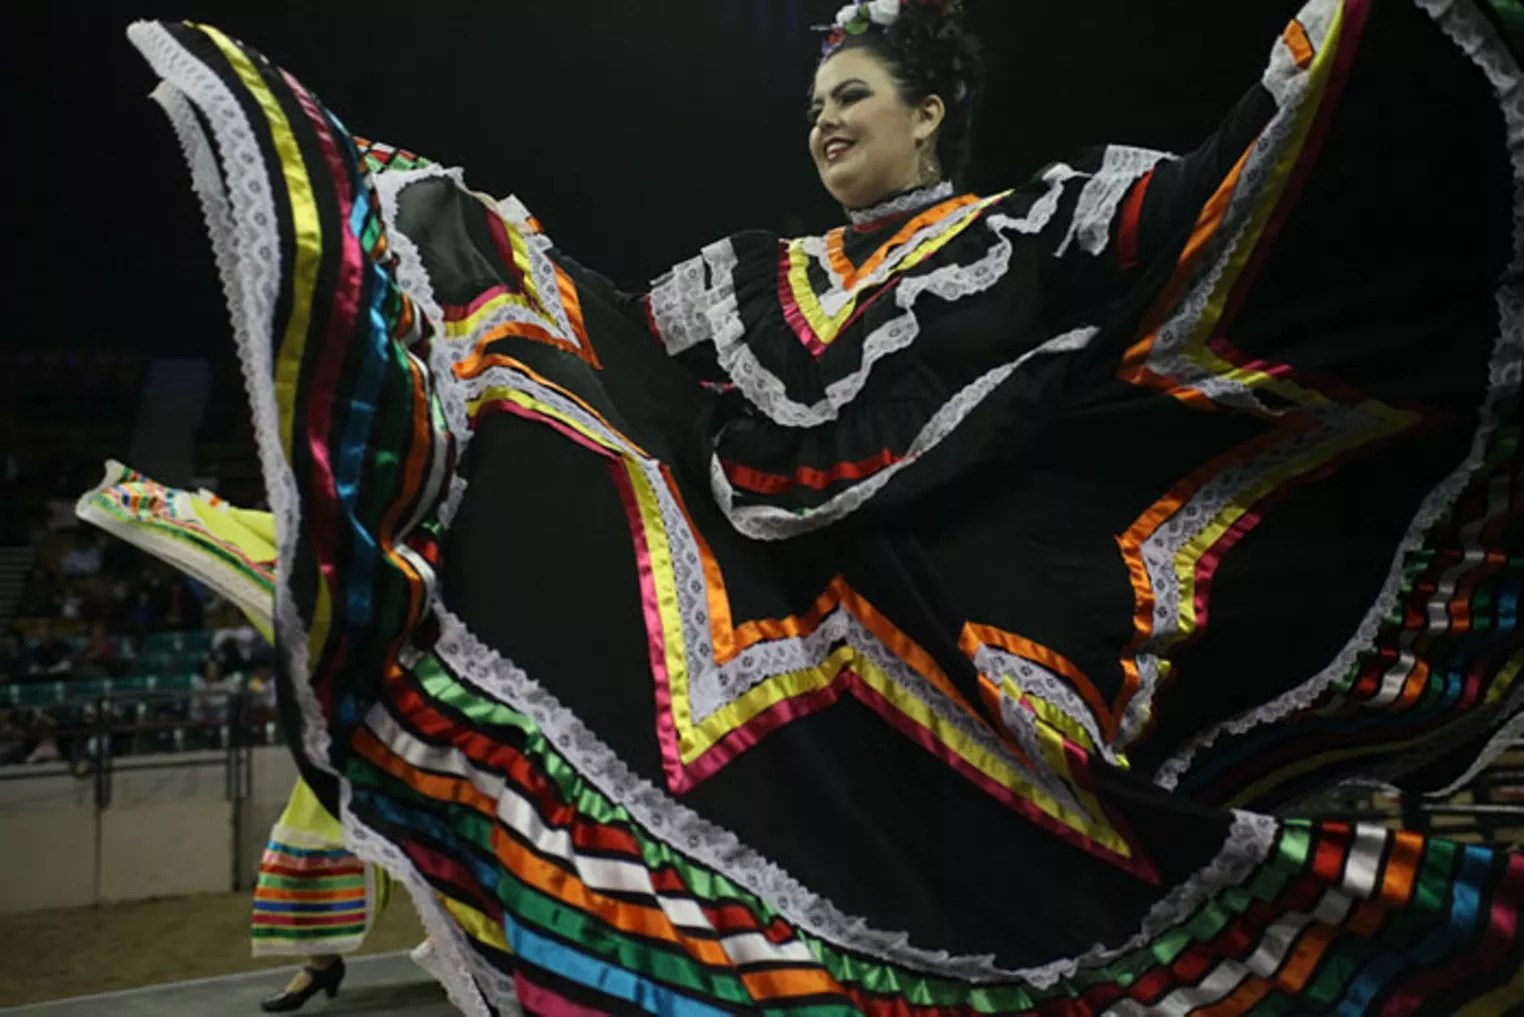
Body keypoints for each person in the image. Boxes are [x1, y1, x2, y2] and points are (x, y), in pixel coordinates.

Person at [122, 0, 1523, 1012]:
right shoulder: (748, 277)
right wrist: (462, 233)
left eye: (852, 93)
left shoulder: (1035, 224)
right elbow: (608, 344)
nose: (826, 121)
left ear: (930, 112)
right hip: (795, 640)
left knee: (1037, 894)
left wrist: (1344, 57)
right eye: (812, 108)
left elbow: (1209, 215)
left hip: (983, 633)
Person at [74, 462, 427, 1013]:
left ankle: (466, 953)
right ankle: (320, 964)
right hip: (354, 736)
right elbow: (247, 529)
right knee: (316, 835)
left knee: (451, 844)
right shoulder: (313, 563)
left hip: (423, 727)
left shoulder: (413, 556)